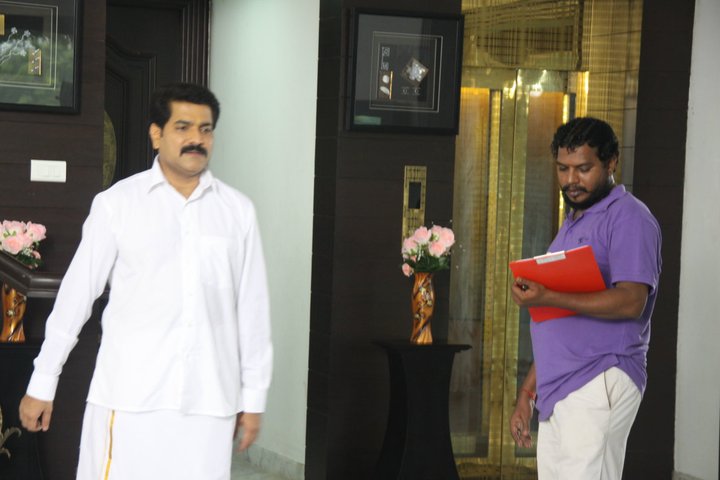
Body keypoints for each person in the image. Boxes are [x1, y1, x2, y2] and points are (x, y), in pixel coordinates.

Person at [19, 83, 273, 480]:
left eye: (205, 129)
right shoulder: (118, 204)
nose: (196, 139)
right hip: (129, 398)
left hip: (209, 402)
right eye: (183, 127)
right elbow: (76, 297)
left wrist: (254, 395)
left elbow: (252, 309)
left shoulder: (237, 211)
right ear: (156, 134)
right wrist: (43, 381)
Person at [509, 117, 661, 479]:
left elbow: (631, 301)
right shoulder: (575, 220)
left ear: (611, 163)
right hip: (559, 385)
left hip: (600, 374)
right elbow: (560, 321)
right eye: (563, 168)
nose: (571, 180)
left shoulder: (629, 217)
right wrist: (527, 393)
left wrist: (549, 294)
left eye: (583, 168)